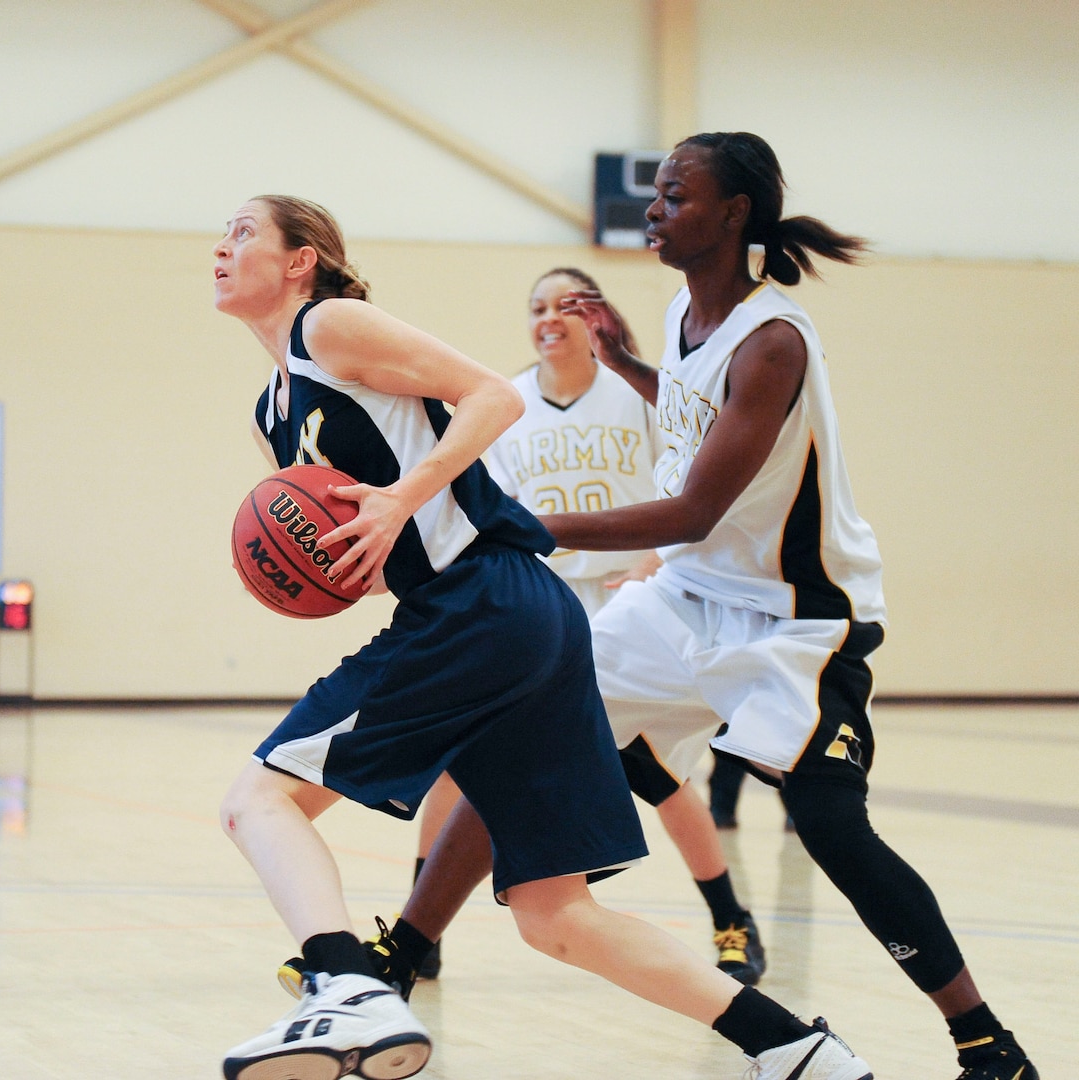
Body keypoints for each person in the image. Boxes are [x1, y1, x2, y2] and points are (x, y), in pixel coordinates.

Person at [382, 133, 1038, 1080]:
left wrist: (530, 524)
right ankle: (398, 956)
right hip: (687, 601)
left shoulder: (775, 339)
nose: (654, 209)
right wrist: (635, 366)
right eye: (654, 194)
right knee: (517, 732)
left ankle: (986, 1040)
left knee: (831, 824)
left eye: (675, 194)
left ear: (734, 214)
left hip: (795, 618)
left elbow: (694, 508)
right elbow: (698, 411)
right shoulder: (688, 310)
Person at [213, 194, 871, 1080]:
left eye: (242, 232)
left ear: (300, 260)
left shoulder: (330, 326)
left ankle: (347, 991)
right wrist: (349, 557)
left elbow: (489, 394)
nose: (220, 248)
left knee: (259, 800)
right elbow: (356, 541)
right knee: (554, 915)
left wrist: (406, 496)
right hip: (527, 615)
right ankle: (797, 1049)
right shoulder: (272, 409)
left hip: (478, 604)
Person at [287, 267, 766, 992]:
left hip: (623, 607)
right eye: (538, 308)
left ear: (595, 319)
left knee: (657, 775)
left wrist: (653, 558)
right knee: (461, 765)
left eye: (566, 307)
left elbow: (694, 476)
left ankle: (732, 919)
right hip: (534, 602)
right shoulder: (514, 405)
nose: (549, 320)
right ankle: (421, 940)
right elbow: (481, 503)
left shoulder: (631, 398)